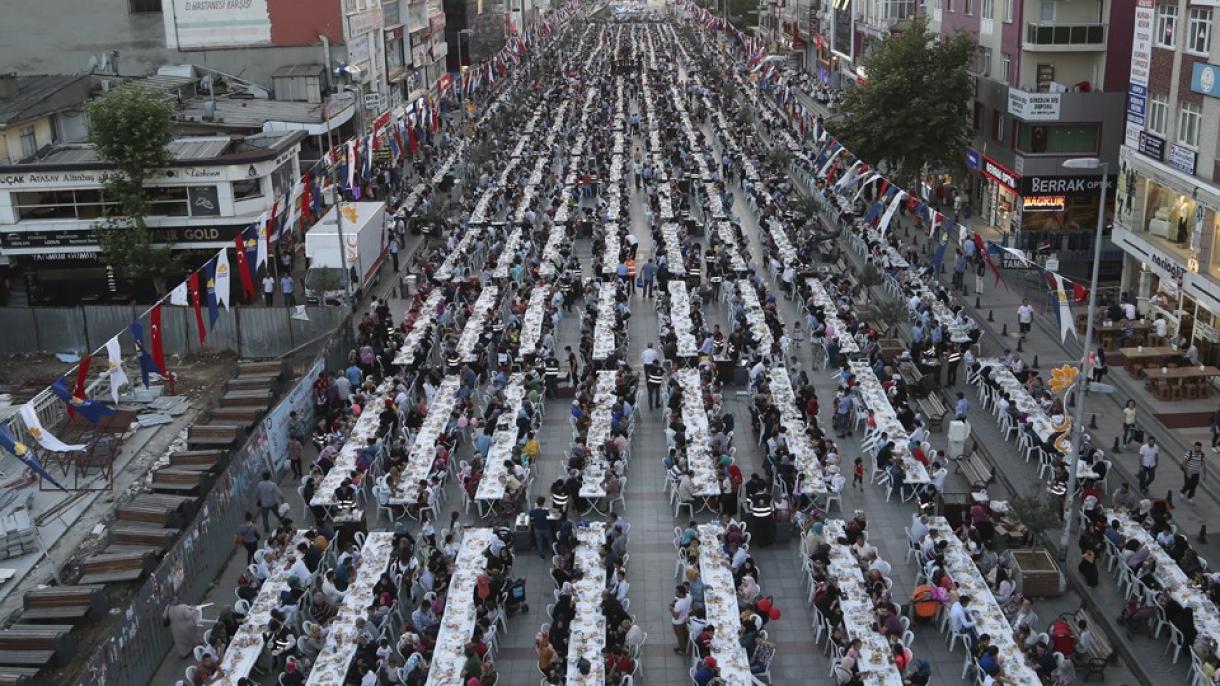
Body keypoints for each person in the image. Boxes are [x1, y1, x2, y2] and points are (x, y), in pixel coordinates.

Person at [671, 584, 692, 654]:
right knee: (684, 633)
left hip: (677, 623)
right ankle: (686, 645)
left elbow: (676, 617)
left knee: (680, 637)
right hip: (684, 618)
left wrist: (671, 609)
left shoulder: (678, 604)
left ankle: (682, 650)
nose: (675, 593)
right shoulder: (689, 597)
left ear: (681, 593)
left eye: (677, 592)